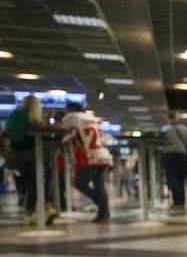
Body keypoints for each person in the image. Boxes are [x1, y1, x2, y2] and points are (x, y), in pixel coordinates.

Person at [5, 95, 57, 226]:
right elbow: (46, 133)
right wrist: (48, 118)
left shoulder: (14, 114)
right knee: (37, 181)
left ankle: (31, 213)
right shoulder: (36, 117)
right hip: (35, 152)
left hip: (17, 154)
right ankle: (46, 206)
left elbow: (7, 132)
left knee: (30, 182)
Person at [60, 102, 113, 222]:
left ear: (71, 109)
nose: (65, 112)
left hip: (89, 156)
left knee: (80, 183)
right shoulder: (92, 118)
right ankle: (102, 214)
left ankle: (102, 207)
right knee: (99, 184)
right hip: (103, 155)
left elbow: (60, 129)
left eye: (66, 110)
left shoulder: (73, 117)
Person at [160, 112, 187, 210]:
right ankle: (182, 199)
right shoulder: (185, 129)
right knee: (181, 178)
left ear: (168, 118)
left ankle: (176, 199)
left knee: (172, 178)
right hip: (182, 155)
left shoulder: (165, 129)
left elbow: (161, 142)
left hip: (169, 155)